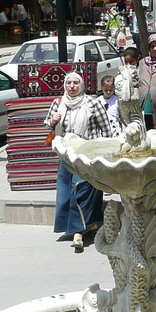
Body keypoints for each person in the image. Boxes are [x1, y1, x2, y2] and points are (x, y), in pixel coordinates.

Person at [45, 71, 114, 251]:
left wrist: (105, 152)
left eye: (76, 83)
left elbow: (105, 129)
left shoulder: (91, 103)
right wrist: (53, 121)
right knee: (66, 192)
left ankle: (77, 232)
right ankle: (83, 225)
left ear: (81, 85)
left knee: (81, 189)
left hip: (86, 154)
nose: (72, 86)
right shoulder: (58, 103)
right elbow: (47, 123)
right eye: (69, 83)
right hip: (66, 154)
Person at [114, 47, 143, 128]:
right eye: (126, 62)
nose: (128, 65)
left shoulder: (140, 71)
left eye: (131, 62)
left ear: (138, 59)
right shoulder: (123, 72)